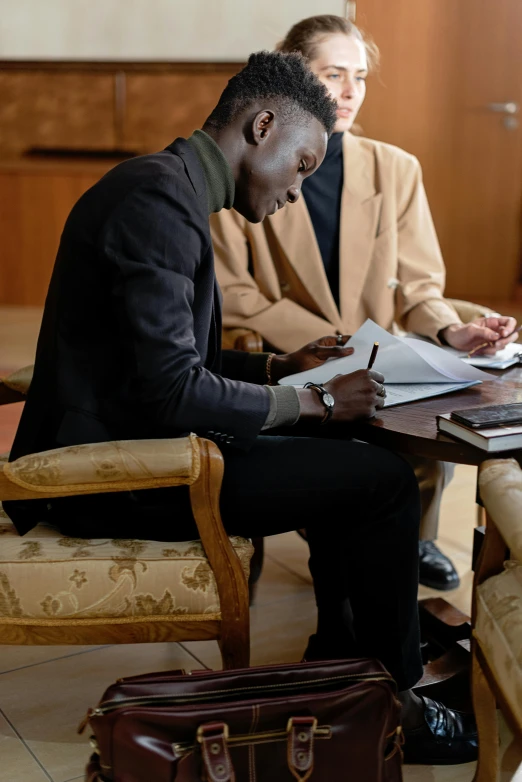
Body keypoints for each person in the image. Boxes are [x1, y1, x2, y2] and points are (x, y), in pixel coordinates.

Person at [5, 51, 477, 765]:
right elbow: (167, 389)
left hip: (147, 440)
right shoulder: (157, 205)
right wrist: (311, 399)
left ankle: (342, 668)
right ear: (263, 126)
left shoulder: (164, 189)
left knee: (367, 460)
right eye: (302, 165)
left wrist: (277, 365)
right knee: (380, 486)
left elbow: (163, 360)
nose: (297, 189)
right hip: (119, 476)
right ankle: (394, 706)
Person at [211, 15, 519, 592]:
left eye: (360, 76)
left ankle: (413, 537)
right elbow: (234, 294)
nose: (350, 91)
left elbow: (420, 287)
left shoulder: (397, 169)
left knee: (437, 421)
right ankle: (351, 542)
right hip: (294, 360)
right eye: (333, 74)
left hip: (384, 358)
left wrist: (451, 332)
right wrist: (342, 341)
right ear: (296, 75)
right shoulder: (249, 161)